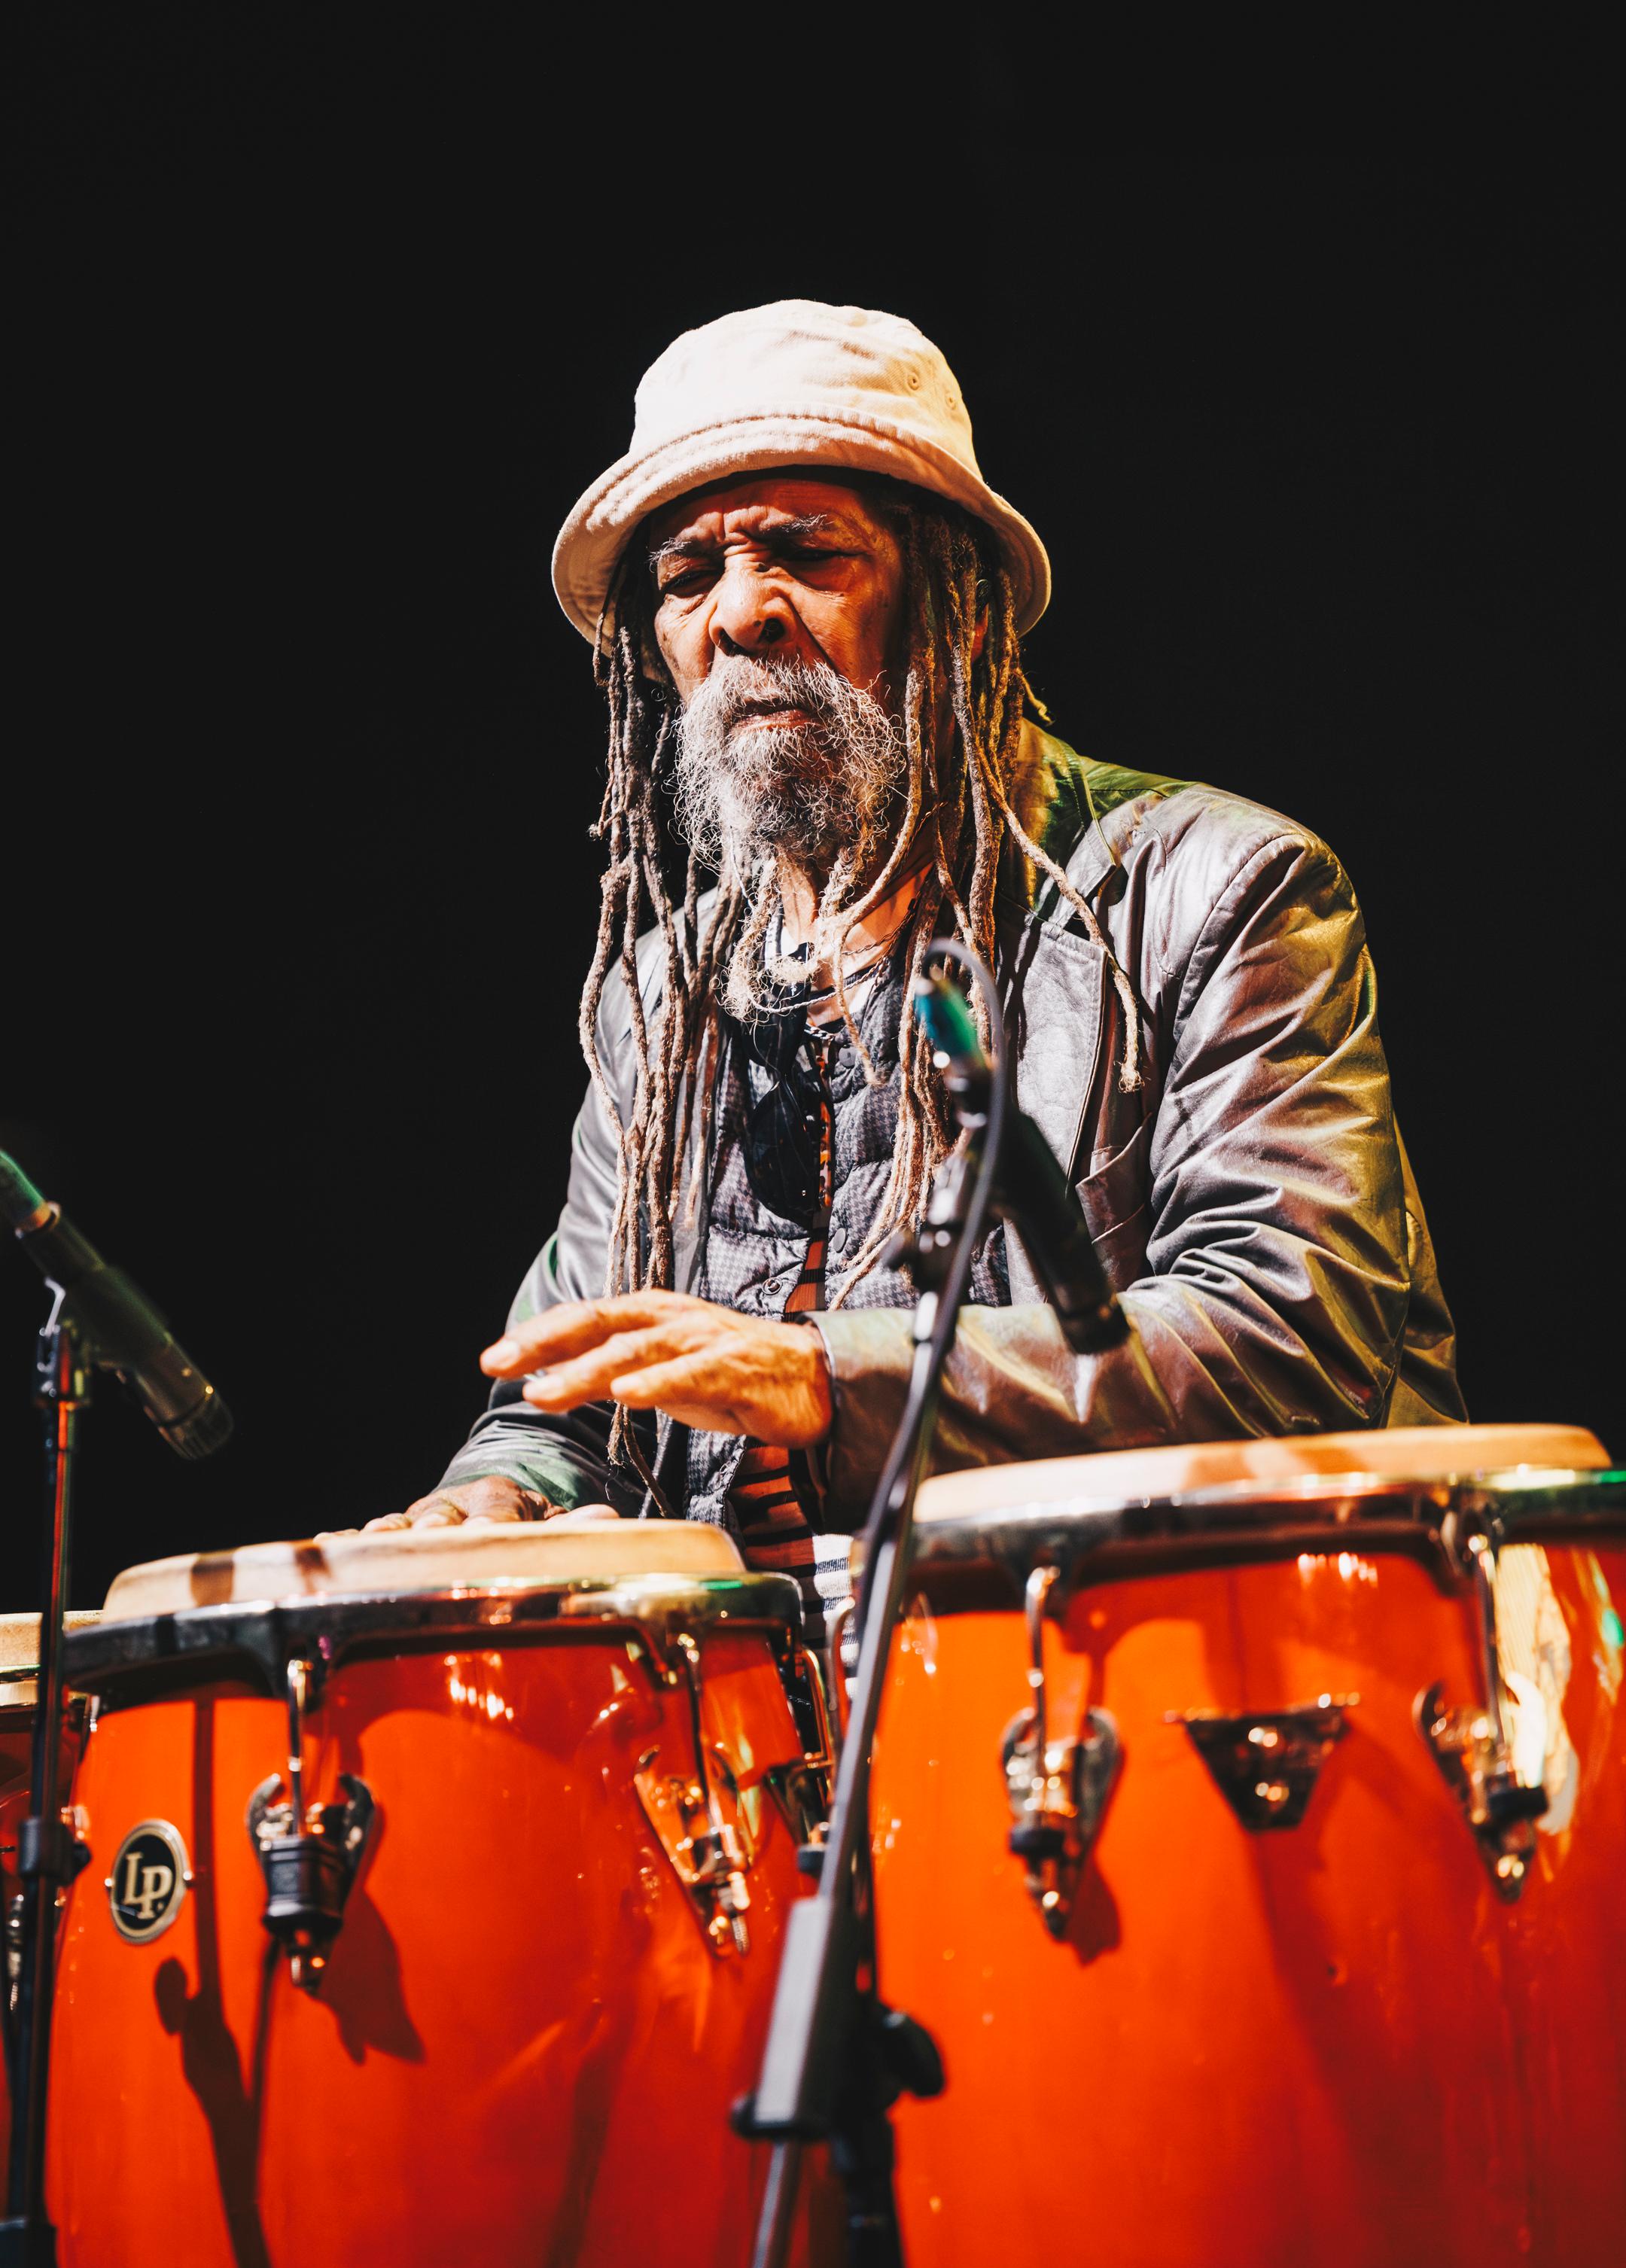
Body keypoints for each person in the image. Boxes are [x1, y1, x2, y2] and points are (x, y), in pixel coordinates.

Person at [366, 300, 1464, 1620]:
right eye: (686, 575)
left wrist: (829, 1377)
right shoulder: (661, 1002)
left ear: (957, 596)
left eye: (804, 553)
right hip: (776, 1747)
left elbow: (1287, 1337)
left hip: (1182, 1682)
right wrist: (504, 1494)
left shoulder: (1219, 889)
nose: (740, 614)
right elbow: (577, 1398)